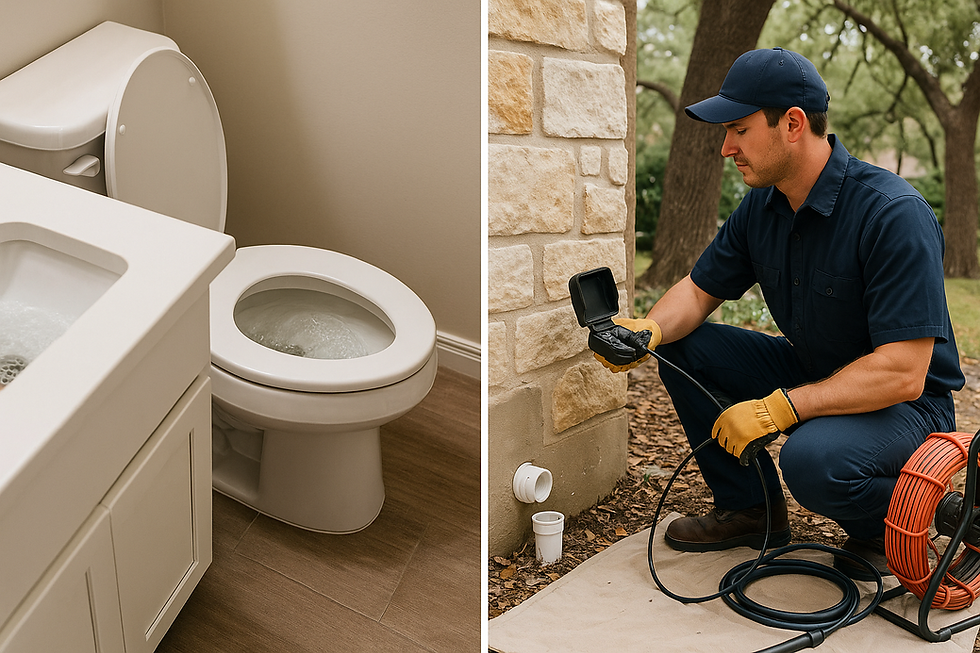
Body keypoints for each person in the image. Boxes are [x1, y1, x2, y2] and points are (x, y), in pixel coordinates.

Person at [597, 47, 964, 579]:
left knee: (812, 461)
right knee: (681, 346)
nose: (726, 148)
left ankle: (901, 523)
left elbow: (903, 373)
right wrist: (648, 329)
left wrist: (779, 410)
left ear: (792, 124)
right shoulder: (763, 206)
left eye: (740, 130)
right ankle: (752, 511)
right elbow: (699, 292)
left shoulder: (892, 214)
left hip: (907, 407)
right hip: (816, 372)